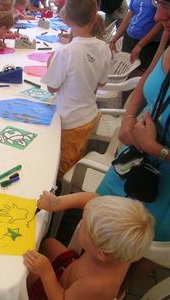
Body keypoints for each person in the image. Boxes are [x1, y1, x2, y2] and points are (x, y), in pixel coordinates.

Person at [96, 0, 170, 294]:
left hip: (162, 188)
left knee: (136, 247)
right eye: (158, 4)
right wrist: (128, 117)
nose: (159, 15)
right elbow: (146, 80)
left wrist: (157, 149)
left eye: (167, 6)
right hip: (133, 161)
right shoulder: (167, 33)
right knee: (99, 222)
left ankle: (117, 289)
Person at [24, 192, 154, 300]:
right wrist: (57, 202)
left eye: (83, 227)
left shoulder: (96, 286)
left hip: (62, 293)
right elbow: (92, 200)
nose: (81, 223)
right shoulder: (119, 251)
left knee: (27, 278)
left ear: (100, 253)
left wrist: (47, 274)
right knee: (48, 244)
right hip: (71, 269)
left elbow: (61, 298)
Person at [41, 0, 111, 179]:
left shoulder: (65, 52)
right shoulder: (104, 47)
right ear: (95, 17)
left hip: (69, 121)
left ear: (67, 20)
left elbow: (51, 88)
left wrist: (51, 64)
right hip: (89, 114)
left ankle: (60, 195)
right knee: (77, 151)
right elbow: (102, 84)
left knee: (63, 164)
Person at [109, 0, 163, 72]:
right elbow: (129, 16)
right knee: (124, 70)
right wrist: (113, 40)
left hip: (149, 43)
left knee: (140, 74)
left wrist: (141, 44)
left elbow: (161, 23)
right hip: (129, 39)